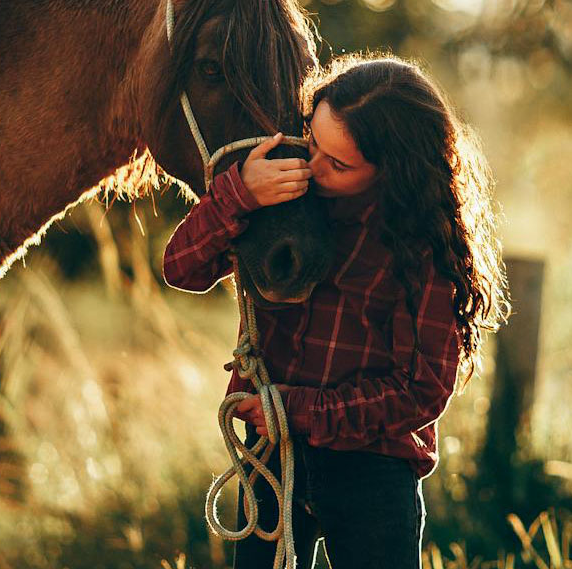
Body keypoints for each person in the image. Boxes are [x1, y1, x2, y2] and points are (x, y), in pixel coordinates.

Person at [163, 54, 509, 569]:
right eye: (313, 142)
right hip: (272, 461)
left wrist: (295, 410)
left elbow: (421, 391)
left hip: (372, 471)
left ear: (392, 170)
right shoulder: (283, 198)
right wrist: (239, 195)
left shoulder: (421, 248)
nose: (314, 168)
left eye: (338, 164)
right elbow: (181, 268)